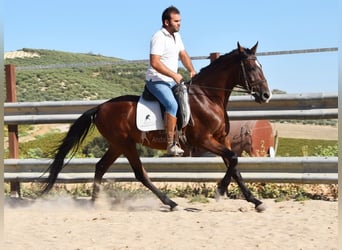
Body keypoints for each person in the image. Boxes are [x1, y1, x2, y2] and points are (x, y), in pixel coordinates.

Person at [145, 6, 196, 156]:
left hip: (171, 80)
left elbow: (183, 54)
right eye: (176, 21)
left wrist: (191, 70)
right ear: (167, 22)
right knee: (172, 104)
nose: (179, 24)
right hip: (156, 80)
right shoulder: (159, 37)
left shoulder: (176, 36)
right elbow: (155, 62)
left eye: (180, 21)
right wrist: (174, 75)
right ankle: (170, 144)